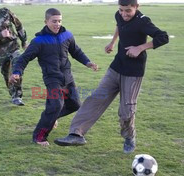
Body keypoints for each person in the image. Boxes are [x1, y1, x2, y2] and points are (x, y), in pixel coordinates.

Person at [54, 0, 169, 154]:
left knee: (126, 111)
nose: (124, 14)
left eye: (128, 10)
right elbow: (119, 26)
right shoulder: (119, 15)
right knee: (96, 98)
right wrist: (113, 42)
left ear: (137, 7)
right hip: (116, 67)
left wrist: (140, 48)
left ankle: (129, 137)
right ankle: (76, 134)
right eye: (121, 10)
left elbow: (163, 37)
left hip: (133, 72)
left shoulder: (143, 22)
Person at [9, 8, 98, 146]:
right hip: (52, 79)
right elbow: (23, 59)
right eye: (54, 21)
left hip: (68, 77)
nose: (57, 24)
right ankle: (39, 136)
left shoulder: (67, 35)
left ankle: (51, 117)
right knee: (56, 105)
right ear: (46, 21)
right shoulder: (39, 41)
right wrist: (16, 72)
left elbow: (76, 51)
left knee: (75, 104)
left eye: (60, 21)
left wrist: (87, 62)